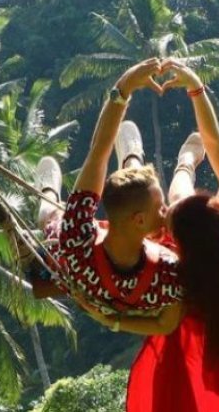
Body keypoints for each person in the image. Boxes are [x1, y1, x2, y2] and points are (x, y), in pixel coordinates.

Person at [85, 59, 219, 411]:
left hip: (189, 337)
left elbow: (157, 320)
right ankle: (214, 169)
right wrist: (196, 88)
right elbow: (214, 141)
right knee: (191, 197)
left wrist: (112, 319)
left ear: (175, 241)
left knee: (170, 199)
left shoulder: (171, 269)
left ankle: (175, 162)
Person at [35, 57, 184, 332]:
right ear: (140, 220)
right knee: (51, 216)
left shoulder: (76, 239)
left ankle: (132, 161)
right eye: (161, 208)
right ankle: (48, 191)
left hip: (94, 262)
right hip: (92, 257)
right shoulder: (169, 272)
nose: (167, 212)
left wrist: (112, 321)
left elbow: (99, 151)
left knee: (62, 219)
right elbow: (98, 152)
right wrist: (123, 88)